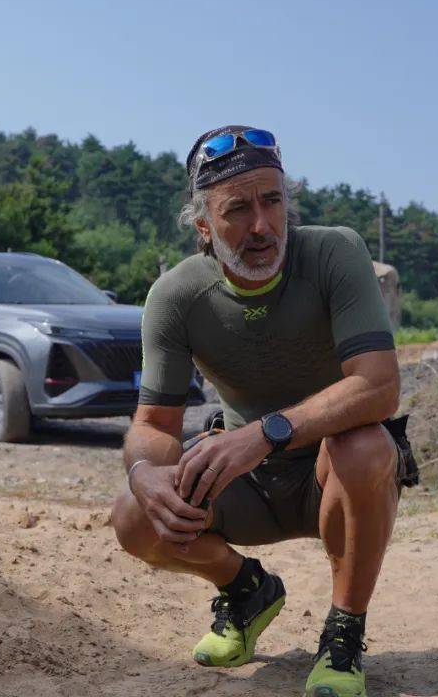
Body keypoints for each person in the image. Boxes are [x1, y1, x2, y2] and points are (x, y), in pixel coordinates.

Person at [110, 125, 418, 697]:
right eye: (238, 209)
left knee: (367, 442)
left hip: (333, 476)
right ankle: (247, 590)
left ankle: (344, 631)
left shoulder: (333, 253)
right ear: (203, 225)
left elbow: (378, 387)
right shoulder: (176, 296)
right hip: (245, 484)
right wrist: (145, 472)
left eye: (273, 201)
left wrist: (265, 432)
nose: (262, 225)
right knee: (133, 511)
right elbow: (153, 426)